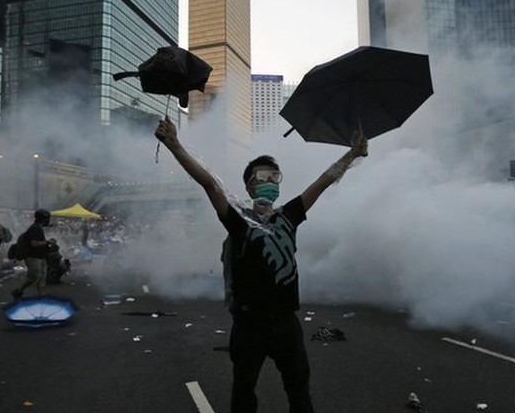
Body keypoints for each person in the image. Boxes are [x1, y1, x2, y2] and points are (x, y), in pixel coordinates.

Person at [154, 115, 368, 413]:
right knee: (243, 395)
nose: (269, 182)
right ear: (250, 185)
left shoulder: (288, 216)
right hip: (249, 324)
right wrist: (175, 145)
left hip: (286, 322)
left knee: (300, 393)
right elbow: (209, 183)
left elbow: (324, 181)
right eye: (262, 177)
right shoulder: (238, 220)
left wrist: (352, 154)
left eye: (275, 177)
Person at [11, 209, 53, 300]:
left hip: (40, 256)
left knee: (42, 278)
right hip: (33, 257)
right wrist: (47, 242)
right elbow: (34, 243)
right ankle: (18, 291)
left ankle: (41, 297)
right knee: (34, 277)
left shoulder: (38, 227)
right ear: (44, 218)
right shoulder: (36, 228)